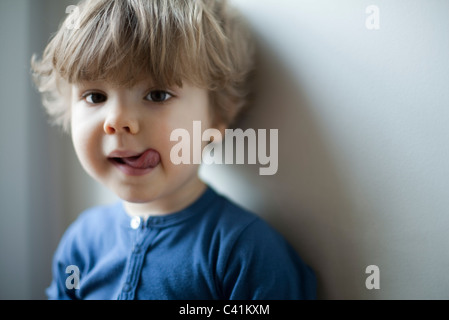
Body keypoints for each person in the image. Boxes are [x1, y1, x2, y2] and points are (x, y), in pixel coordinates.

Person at [31, 0, 316, 300]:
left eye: (156, 95)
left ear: (217, 116)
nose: (117, 121)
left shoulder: (246, 253)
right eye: (95, 96)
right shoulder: (81, 243)